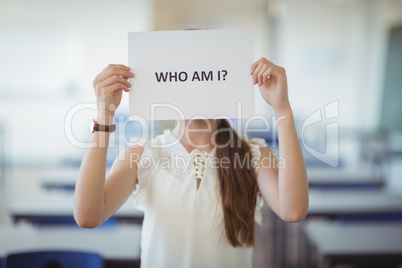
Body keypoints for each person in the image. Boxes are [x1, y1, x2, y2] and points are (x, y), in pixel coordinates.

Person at [73, 57, 309, 268]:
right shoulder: (142, 153)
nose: (198, 89)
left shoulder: (253, 154)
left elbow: (293, 210)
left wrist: (282, 109)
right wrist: (104, 115)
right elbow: (88, 216)